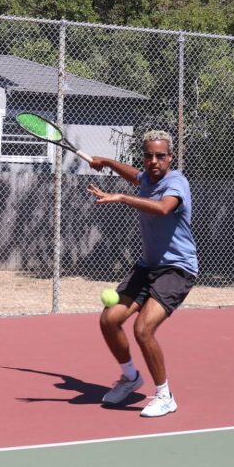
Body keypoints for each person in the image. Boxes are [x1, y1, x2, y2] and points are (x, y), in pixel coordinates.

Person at [87, 130, 198, 417]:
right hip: (147, 266)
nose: (153, 161)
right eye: (148, 155)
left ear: (170, 157)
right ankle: (130, 377)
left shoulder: (177, 182)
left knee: (143, 329)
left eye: (160, 156)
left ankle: (164, 395)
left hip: (177, 269)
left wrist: (122, 198)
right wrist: (109, 162)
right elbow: (135, 176)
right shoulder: (147, 178)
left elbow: (163, 209)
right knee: (109, 320)